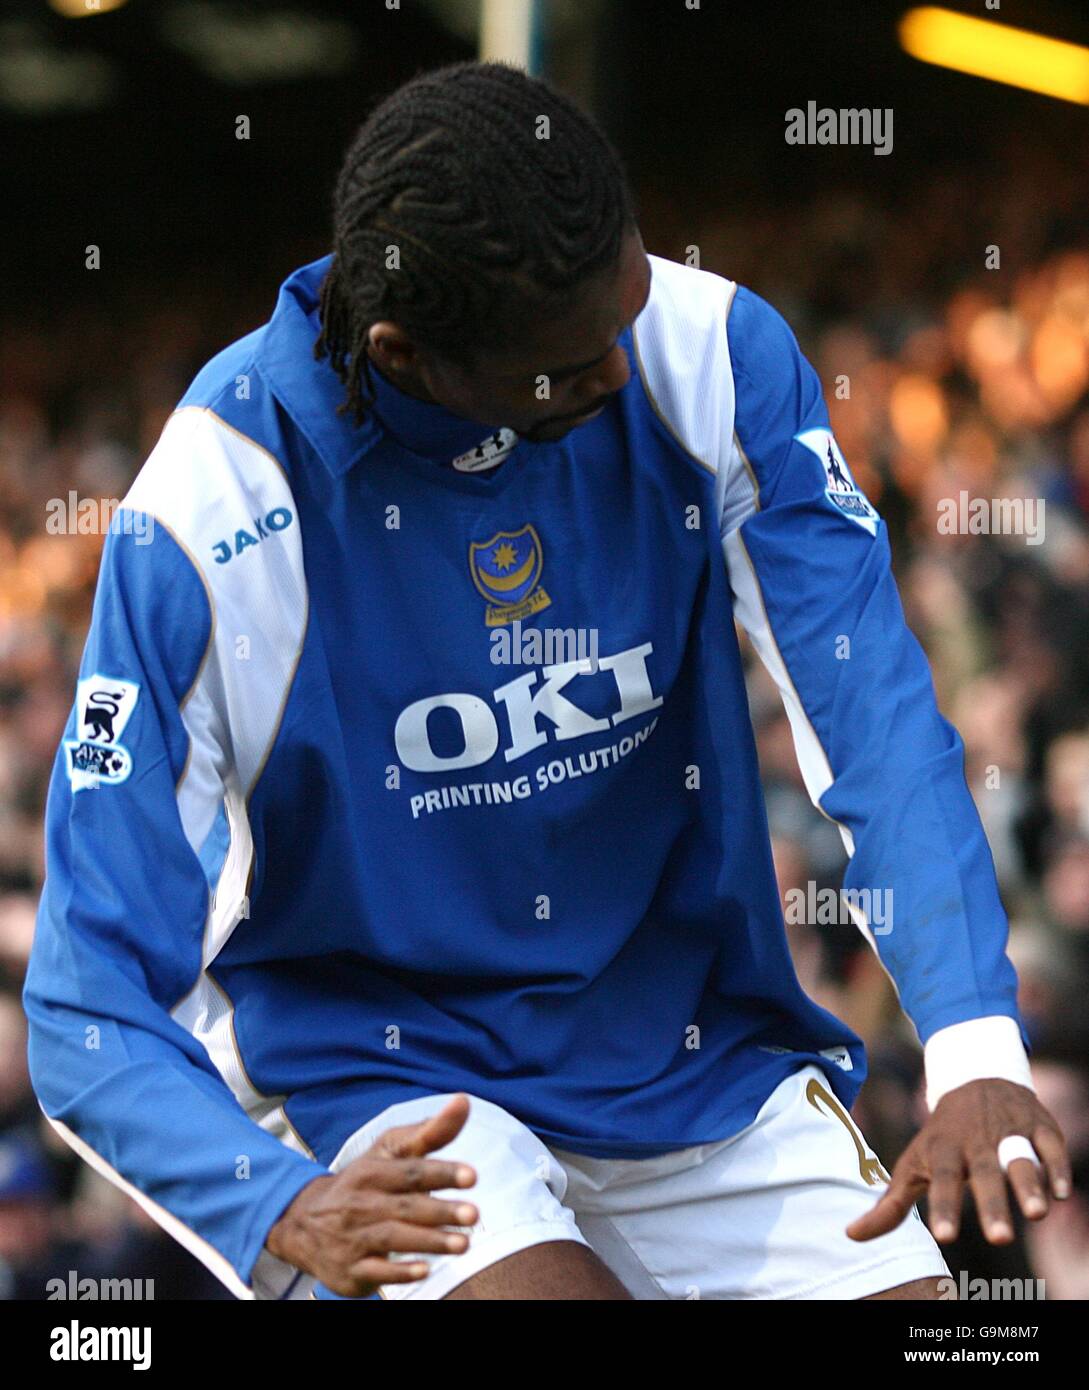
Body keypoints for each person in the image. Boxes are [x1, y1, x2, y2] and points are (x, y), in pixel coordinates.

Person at [24, 61, 1069, 1302]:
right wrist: (273, 1200)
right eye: (567, 370)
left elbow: (873, 715)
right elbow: (85, 999)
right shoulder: (211, 517)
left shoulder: (712, 354)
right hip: (386, 1079)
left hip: (691, 1060)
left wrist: (969, 1039)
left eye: (624, 317)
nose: (621, 375)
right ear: (402, 354)